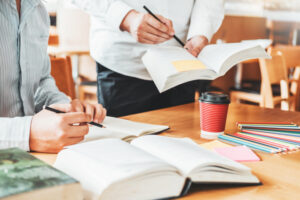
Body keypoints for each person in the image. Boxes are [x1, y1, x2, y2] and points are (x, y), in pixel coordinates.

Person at [71, 0, 224, 117]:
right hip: (124, 63)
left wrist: (200, 31)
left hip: (183, 60)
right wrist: (125, 17)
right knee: (124, 149)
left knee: (180, 146)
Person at [0, 0, 106, 153]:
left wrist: (65, 109)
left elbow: (41, 81)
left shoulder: (38, 11)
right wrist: (27, 134)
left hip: (37, 157)